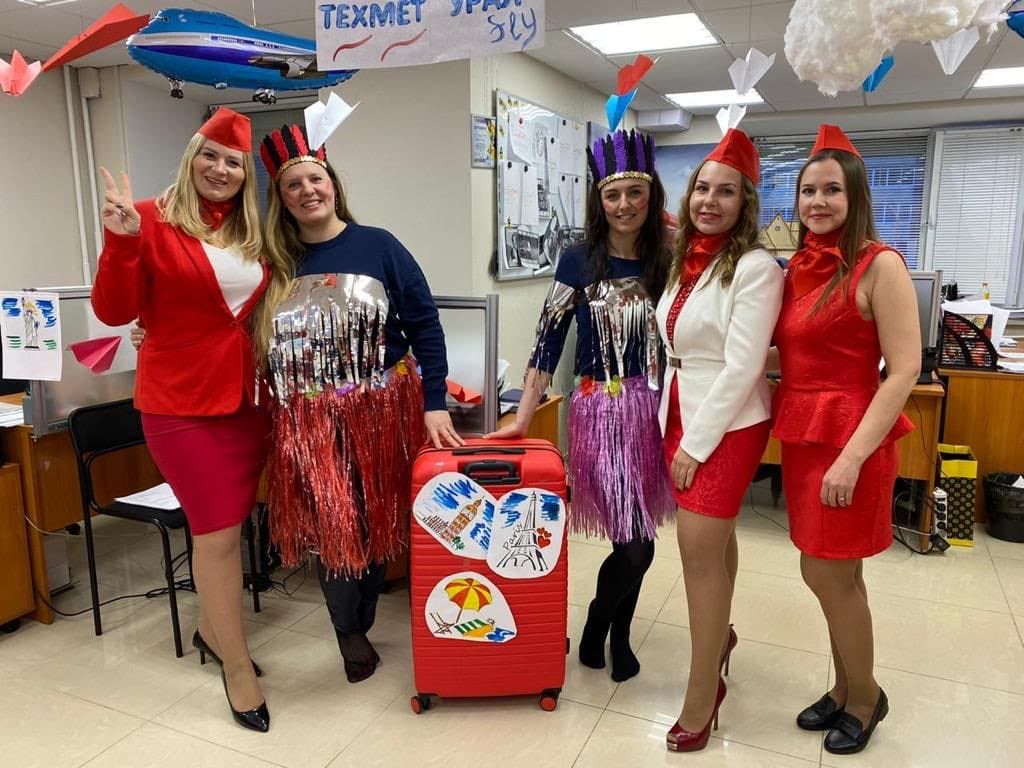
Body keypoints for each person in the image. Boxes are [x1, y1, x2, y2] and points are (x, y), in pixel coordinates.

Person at [92, 108, 279, 733]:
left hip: (248, 402)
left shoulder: (255, 229)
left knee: (239, 520)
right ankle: (237, 669)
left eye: (233, 161)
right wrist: (119, 242)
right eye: (211, 155)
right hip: (179, 404)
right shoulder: (147, 217)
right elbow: (115, 310)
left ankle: (210, 630)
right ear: (191, 155)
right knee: (218, 534)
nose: (221, 170)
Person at [258, 124, 463, 683]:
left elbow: (424, 324)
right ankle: (348, 630)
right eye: (292, 184)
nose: (306, 190)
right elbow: (226, 323)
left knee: (376, 519)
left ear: (333, 184)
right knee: (336, 525)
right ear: (280, 198)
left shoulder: (380, 246)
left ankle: (363, 614)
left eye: (314, 178)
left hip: (383, 411)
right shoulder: (272, 261)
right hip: (310, 421)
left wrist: (434, 400)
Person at [487, 128, 674, 682]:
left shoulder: (670, 258)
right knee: (636, 546)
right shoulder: (577, 260)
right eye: (613, 195)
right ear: (599, 200)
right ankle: (602, 624)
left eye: (635, 193)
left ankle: (612, 630)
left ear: (651, 195)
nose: (624, 205)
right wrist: (522, 418)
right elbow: (547, 341)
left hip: (657, 414)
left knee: (638, 539)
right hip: (602, 415)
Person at [772, 124, 919, 755]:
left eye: (833, 189)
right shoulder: (798, 267)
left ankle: (865, 697)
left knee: (828, 575)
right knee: (834, 575)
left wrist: (854, 458)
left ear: (856, 197)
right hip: (806, 438)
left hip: (851, 440)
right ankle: (844, 686)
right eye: (808, 190)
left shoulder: (879, 264)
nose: (818, 201)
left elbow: (905, 367)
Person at [658, 129, 784, 752]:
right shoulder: (687, 260)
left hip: (725, 422)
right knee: (716, 547)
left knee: (697, 556)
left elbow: (744, 368)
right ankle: (721, 641)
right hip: (679, 408)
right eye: (702, 188)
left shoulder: (757, 267)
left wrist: (695, 445)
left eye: (725, 191)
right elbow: (676, 347)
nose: (710, 200)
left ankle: (702, 695)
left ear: (744, 202)